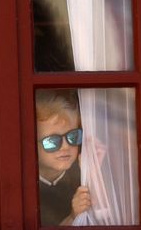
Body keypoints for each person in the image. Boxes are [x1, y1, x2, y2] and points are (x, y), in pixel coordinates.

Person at [36, 89, 91, 226]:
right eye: (52, 141)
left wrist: (95, 175)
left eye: (73, 136)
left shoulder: (82, 174)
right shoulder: (21, 186)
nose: (65, 146)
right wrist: (73, 217)